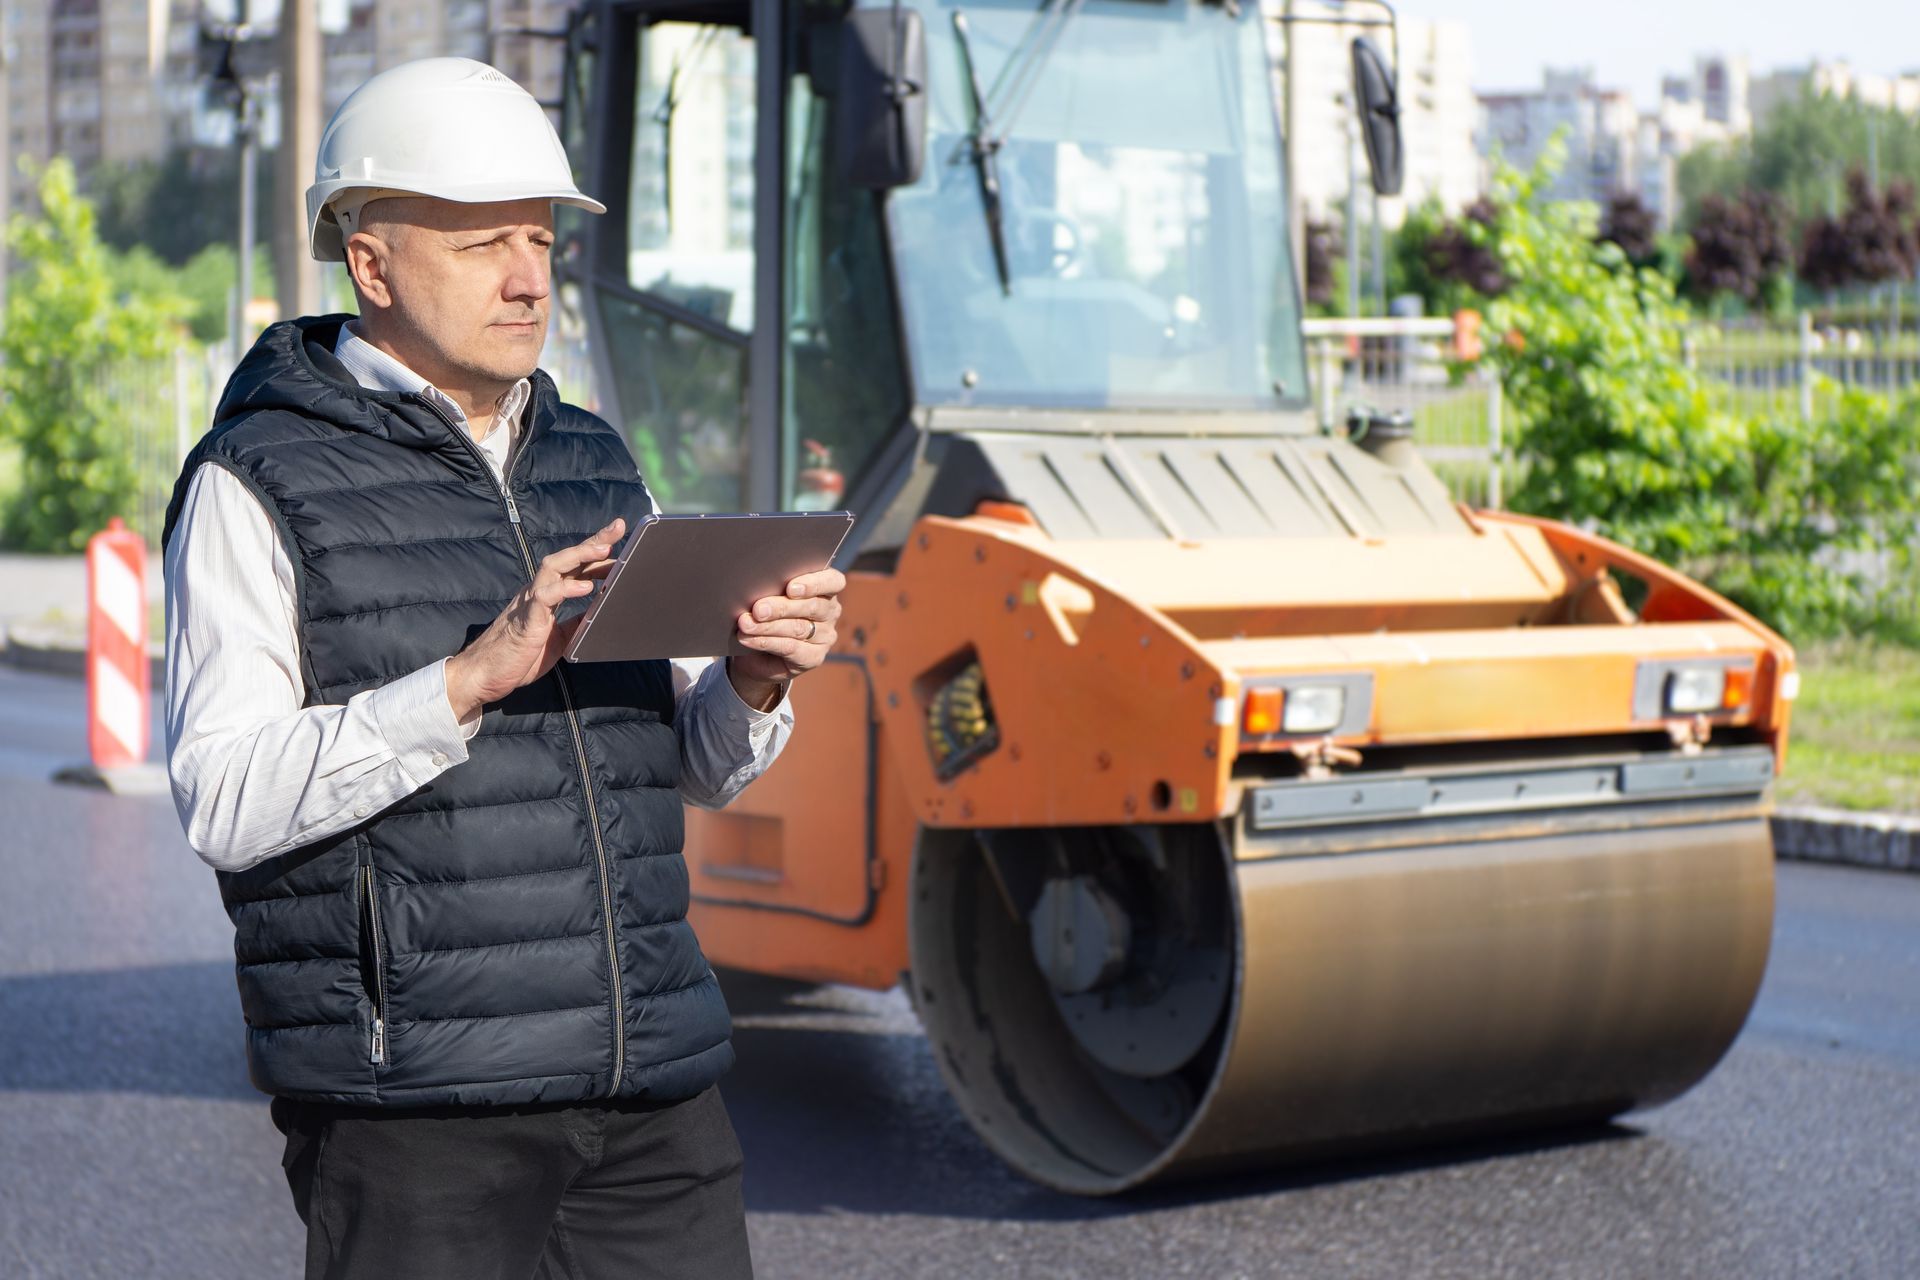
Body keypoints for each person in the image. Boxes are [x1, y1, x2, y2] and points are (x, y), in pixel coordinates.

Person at [160, 57, 840, 1279]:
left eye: (538, 237)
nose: (529, 276)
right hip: (415, 1113)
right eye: (483, 244)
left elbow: (690, 768)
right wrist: (465, 681)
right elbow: (225, 796)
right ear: (372, 265)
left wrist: (752, 682)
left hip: (651, 1095)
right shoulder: (254, 480)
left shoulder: (593, 458)